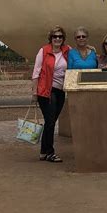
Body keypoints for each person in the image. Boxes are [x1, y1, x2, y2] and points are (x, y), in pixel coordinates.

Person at [31, 26, 69, 162]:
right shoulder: (44, 51)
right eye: (55, 36)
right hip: (46, 91)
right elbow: (36, 72)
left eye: (60, 36)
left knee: (50, 122)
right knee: (51, 121)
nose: (57, 39)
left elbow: (78, 55)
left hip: (60, 91)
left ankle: (43, 152)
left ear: (63, 39)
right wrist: (34, 92)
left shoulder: (67, 50)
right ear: (50, 38)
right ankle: (50, 152)